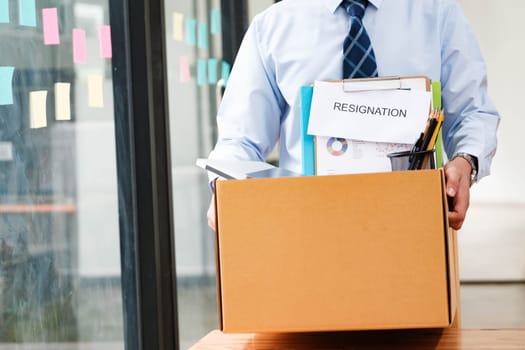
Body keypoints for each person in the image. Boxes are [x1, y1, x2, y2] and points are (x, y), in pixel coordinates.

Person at [206, 0, 500, 231]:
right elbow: (240, 139)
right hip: (306, 231)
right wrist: (223, 188)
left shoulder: (438, 14)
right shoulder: (272, 27)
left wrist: (466, 162)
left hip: (414, 226)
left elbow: (473, 112)